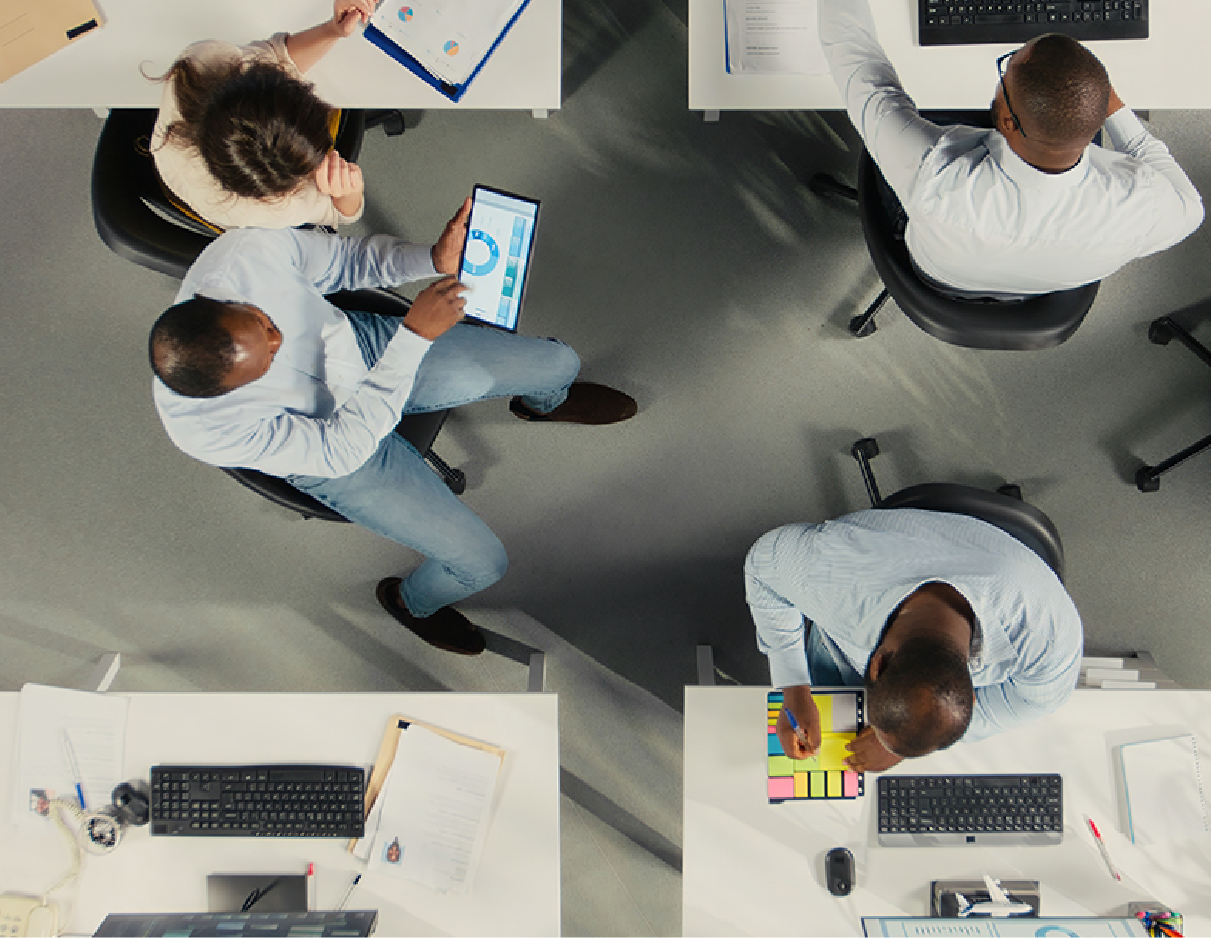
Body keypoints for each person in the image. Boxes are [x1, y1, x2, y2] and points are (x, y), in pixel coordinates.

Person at [149, 200, 638, 655]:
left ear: (219, 300)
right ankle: (411, 603)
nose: (279, 338)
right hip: (334, 449)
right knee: (482, 565)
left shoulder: (241, 255)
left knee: (559, 362)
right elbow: (341, 450)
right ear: (230, 393)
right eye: (268, 362)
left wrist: (432, 257)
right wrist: (415, 338)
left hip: (365, 347)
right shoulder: (203, 428)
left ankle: (543, 404)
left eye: (263, 323)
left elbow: (346, 262)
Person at [819, 0, 1204, 299]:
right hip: (1042, 284)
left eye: (1007, 71)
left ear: (1006, 122)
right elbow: (1191, 207)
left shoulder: (934, 177)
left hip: (936, 272)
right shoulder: (1143, 208)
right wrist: (1107, 106)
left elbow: (857, 60)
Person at [744, 508, 1083, 772]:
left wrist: (900, 748)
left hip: (994, 562)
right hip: (852, 607)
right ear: (875, 663)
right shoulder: (829, 577)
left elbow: (1035, 700)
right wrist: (793, 686)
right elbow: (761, 569)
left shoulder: (1048, 636)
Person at [150, 0, 380, 231]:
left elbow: (278, 55)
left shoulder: (201, 62)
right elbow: (343, 215)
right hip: (213, 200)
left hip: (179, 168)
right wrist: (350, 191)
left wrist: (333, 29)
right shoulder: (278, 209)